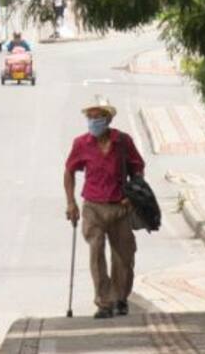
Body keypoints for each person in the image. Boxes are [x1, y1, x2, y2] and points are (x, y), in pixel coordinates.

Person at [64, 95, 145, 319]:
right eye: (89, 117)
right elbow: (69, 171)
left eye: (97, 117)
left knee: (124, 256)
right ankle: (104, 302)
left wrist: (133, 194)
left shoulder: (123, 142)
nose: (92, 121)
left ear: (108, 119)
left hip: (119, 206)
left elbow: (137, 167)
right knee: (96, 251)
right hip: (93, 207)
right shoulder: (81, 143)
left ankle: (120, 298)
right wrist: (71, 202)